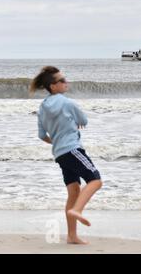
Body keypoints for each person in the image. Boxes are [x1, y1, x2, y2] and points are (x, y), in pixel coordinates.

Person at [30, 66, 102, 245]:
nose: (65, 82)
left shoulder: (43, 107)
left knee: (73, 191)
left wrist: (58, 140)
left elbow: (42, 136)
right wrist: (69, 134)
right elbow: (84, 121)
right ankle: (77, 210)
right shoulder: (67, 102)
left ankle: (71, 236)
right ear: (53, 86)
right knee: (95, 180)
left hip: (60, 154)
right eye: (62, 81)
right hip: (73, 149)